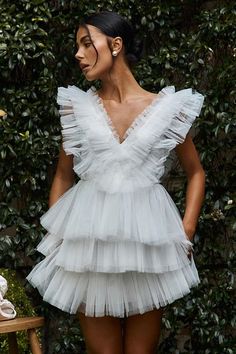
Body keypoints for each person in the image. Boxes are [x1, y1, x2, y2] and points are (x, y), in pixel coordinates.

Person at [27, 10, 205, 354]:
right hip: (89, 248)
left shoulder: (167, 108)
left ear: (116, 45)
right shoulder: (78, 108)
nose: (78, 54)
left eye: (85, 43)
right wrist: (58, 236)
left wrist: (186, 230)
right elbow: (63, 175)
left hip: (148, 247)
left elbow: (196, 172)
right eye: (76, 46)